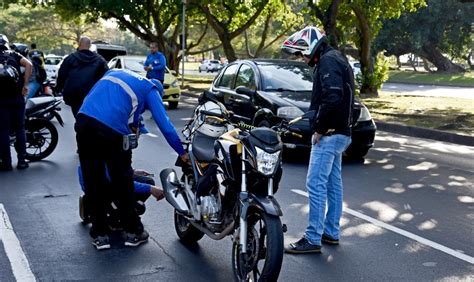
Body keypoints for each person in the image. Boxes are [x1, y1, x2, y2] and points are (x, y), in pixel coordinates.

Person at [75, 68, 189, 250]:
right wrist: (181, 152)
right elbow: (165, 125)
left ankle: (100, 235)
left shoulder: (115, 72)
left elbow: (116, 108)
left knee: (93, 180)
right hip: (112, 130)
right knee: (123, 182)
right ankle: (133, 232)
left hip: (84, 122)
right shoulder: (150, 89)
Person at [282, 26, 354, 254]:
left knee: (315, 184)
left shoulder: (327, 62)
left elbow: (332, 96)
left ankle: (312, 238)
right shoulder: (337, 58)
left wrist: (320, 129)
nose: (302, 59)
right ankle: (331, 232)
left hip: (330, 134)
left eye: (302, 53)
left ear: (312, 47)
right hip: (342, 132)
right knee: (333, 184)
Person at [0, 34, 32, 171]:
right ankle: (22, 161)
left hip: (1, 101)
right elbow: (29, 65)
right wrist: (25, 85)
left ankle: (6, 163)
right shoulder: (14, 54)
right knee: (20, 129)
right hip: (18, 98)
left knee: (3, 131)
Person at [56, 36, 109, 117]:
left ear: (79, 44)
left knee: (77, 114)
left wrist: (58, 88)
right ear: (90, 46)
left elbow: (62, 75)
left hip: (73, 94)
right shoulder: (100, 60)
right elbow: (106, 76)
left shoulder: (70, 58)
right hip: (91, 94)